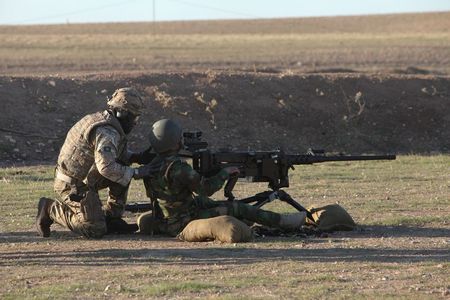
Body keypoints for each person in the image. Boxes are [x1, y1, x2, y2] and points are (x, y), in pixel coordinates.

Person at [137, 119, 306, 236]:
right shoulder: (178, 168)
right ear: (175, 142)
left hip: (166, 219)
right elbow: (206, 189)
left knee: (214, 204)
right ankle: (282, 221)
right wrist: (224, 173)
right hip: (182, 222)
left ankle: (253, 220)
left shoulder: (152, 165)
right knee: (237, 208)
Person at [36, 87, 157, 239]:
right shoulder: (107, 131)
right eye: (134, 118)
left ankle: (112, 218)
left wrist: (137, 157)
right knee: (94, 229)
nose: (135, 123)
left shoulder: (108, 123)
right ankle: (50, 209)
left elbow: (112, 156)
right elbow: (106, 167)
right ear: (122, 113)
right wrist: (138, 172)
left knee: (123, 165)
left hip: (85, 177)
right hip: (72, 185)